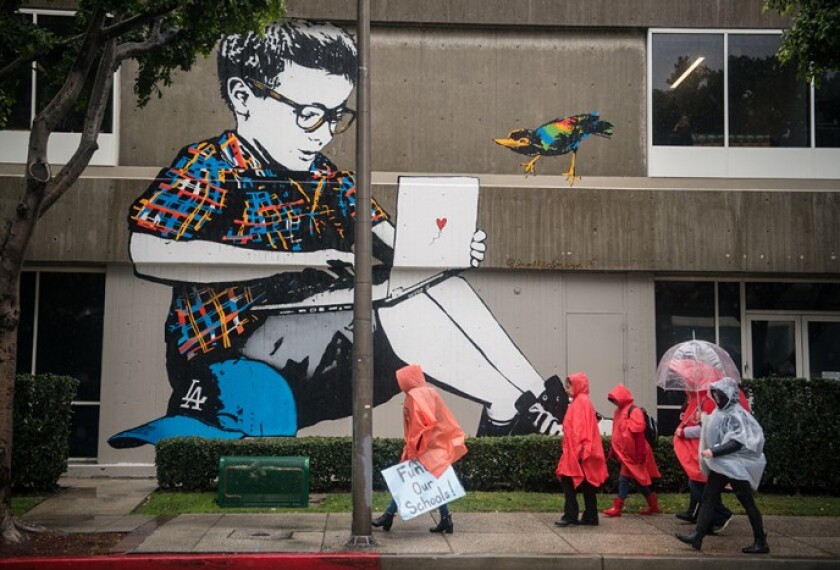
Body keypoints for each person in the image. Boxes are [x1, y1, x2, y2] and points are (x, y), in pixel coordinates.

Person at [109, 20, 567, 449]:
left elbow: (392, 243)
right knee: (401, 314)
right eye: (308, 113)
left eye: (335, 116)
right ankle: (521, 411)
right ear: (244, 97)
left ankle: (528, 404)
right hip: (235, 357)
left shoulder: (330, 180)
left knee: (447, 288)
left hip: (322, 337)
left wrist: (440, 250)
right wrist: (303, 260)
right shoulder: (212, 165)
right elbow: (147, 250)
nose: (323, 133)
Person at [676, 377, 769, 554]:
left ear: (728, 395)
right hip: (723, 465)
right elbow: (714, 428)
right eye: (715, 394)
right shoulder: (721, 412)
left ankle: (760, 540)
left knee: (747, 502)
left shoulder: (738, 415)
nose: (716, 398)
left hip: (735, 466)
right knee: (708, 497)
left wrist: (713, 452)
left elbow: (737, 442)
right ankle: (698, 535)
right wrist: (702, 421)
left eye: (719, 394)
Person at [372, 364, 467, 533]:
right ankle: (445, 519)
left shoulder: (413, 397)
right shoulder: (431, 392)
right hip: (436, 446)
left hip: (422, 449)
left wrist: (412, 451)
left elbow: (418, 426)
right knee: (433, 484)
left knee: (407, 482)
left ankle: (387, 517)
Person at [673, 388, 733, 531]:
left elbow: (707, 428)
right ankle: (705, 522)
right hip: (705, 451)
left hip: (706, 451)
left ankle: (719, 515)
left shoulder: (707, 402)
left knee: (700, 485)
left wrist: (684, 432)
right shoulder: (702, 401)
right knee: (704, 486)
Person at [554, 373, 608, 527]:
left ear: (577, 385)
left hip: (578, 451)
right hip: (583, 451)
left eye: (569, 386)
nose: (566, 389)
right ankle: (590, 516)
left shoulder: (580, 403)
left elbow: (579, 430)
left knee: (568, 479)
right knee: (587, 483)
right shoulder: (582, 402)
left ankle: (571, 515)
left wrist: (578, 453)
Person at [601, 384, 661, 516]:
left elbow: (638, 434)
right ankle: (653, 505)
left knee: (625, 479)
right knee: (637, 480)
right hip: (627, 454)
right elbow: (617, 433)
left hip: (635, 454)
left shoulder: (634, 411)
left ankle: (618, 507)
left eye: (616, 399)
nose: (615, 402)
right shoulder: (619, 412)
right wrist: (613, 449)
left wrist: (640, 454)